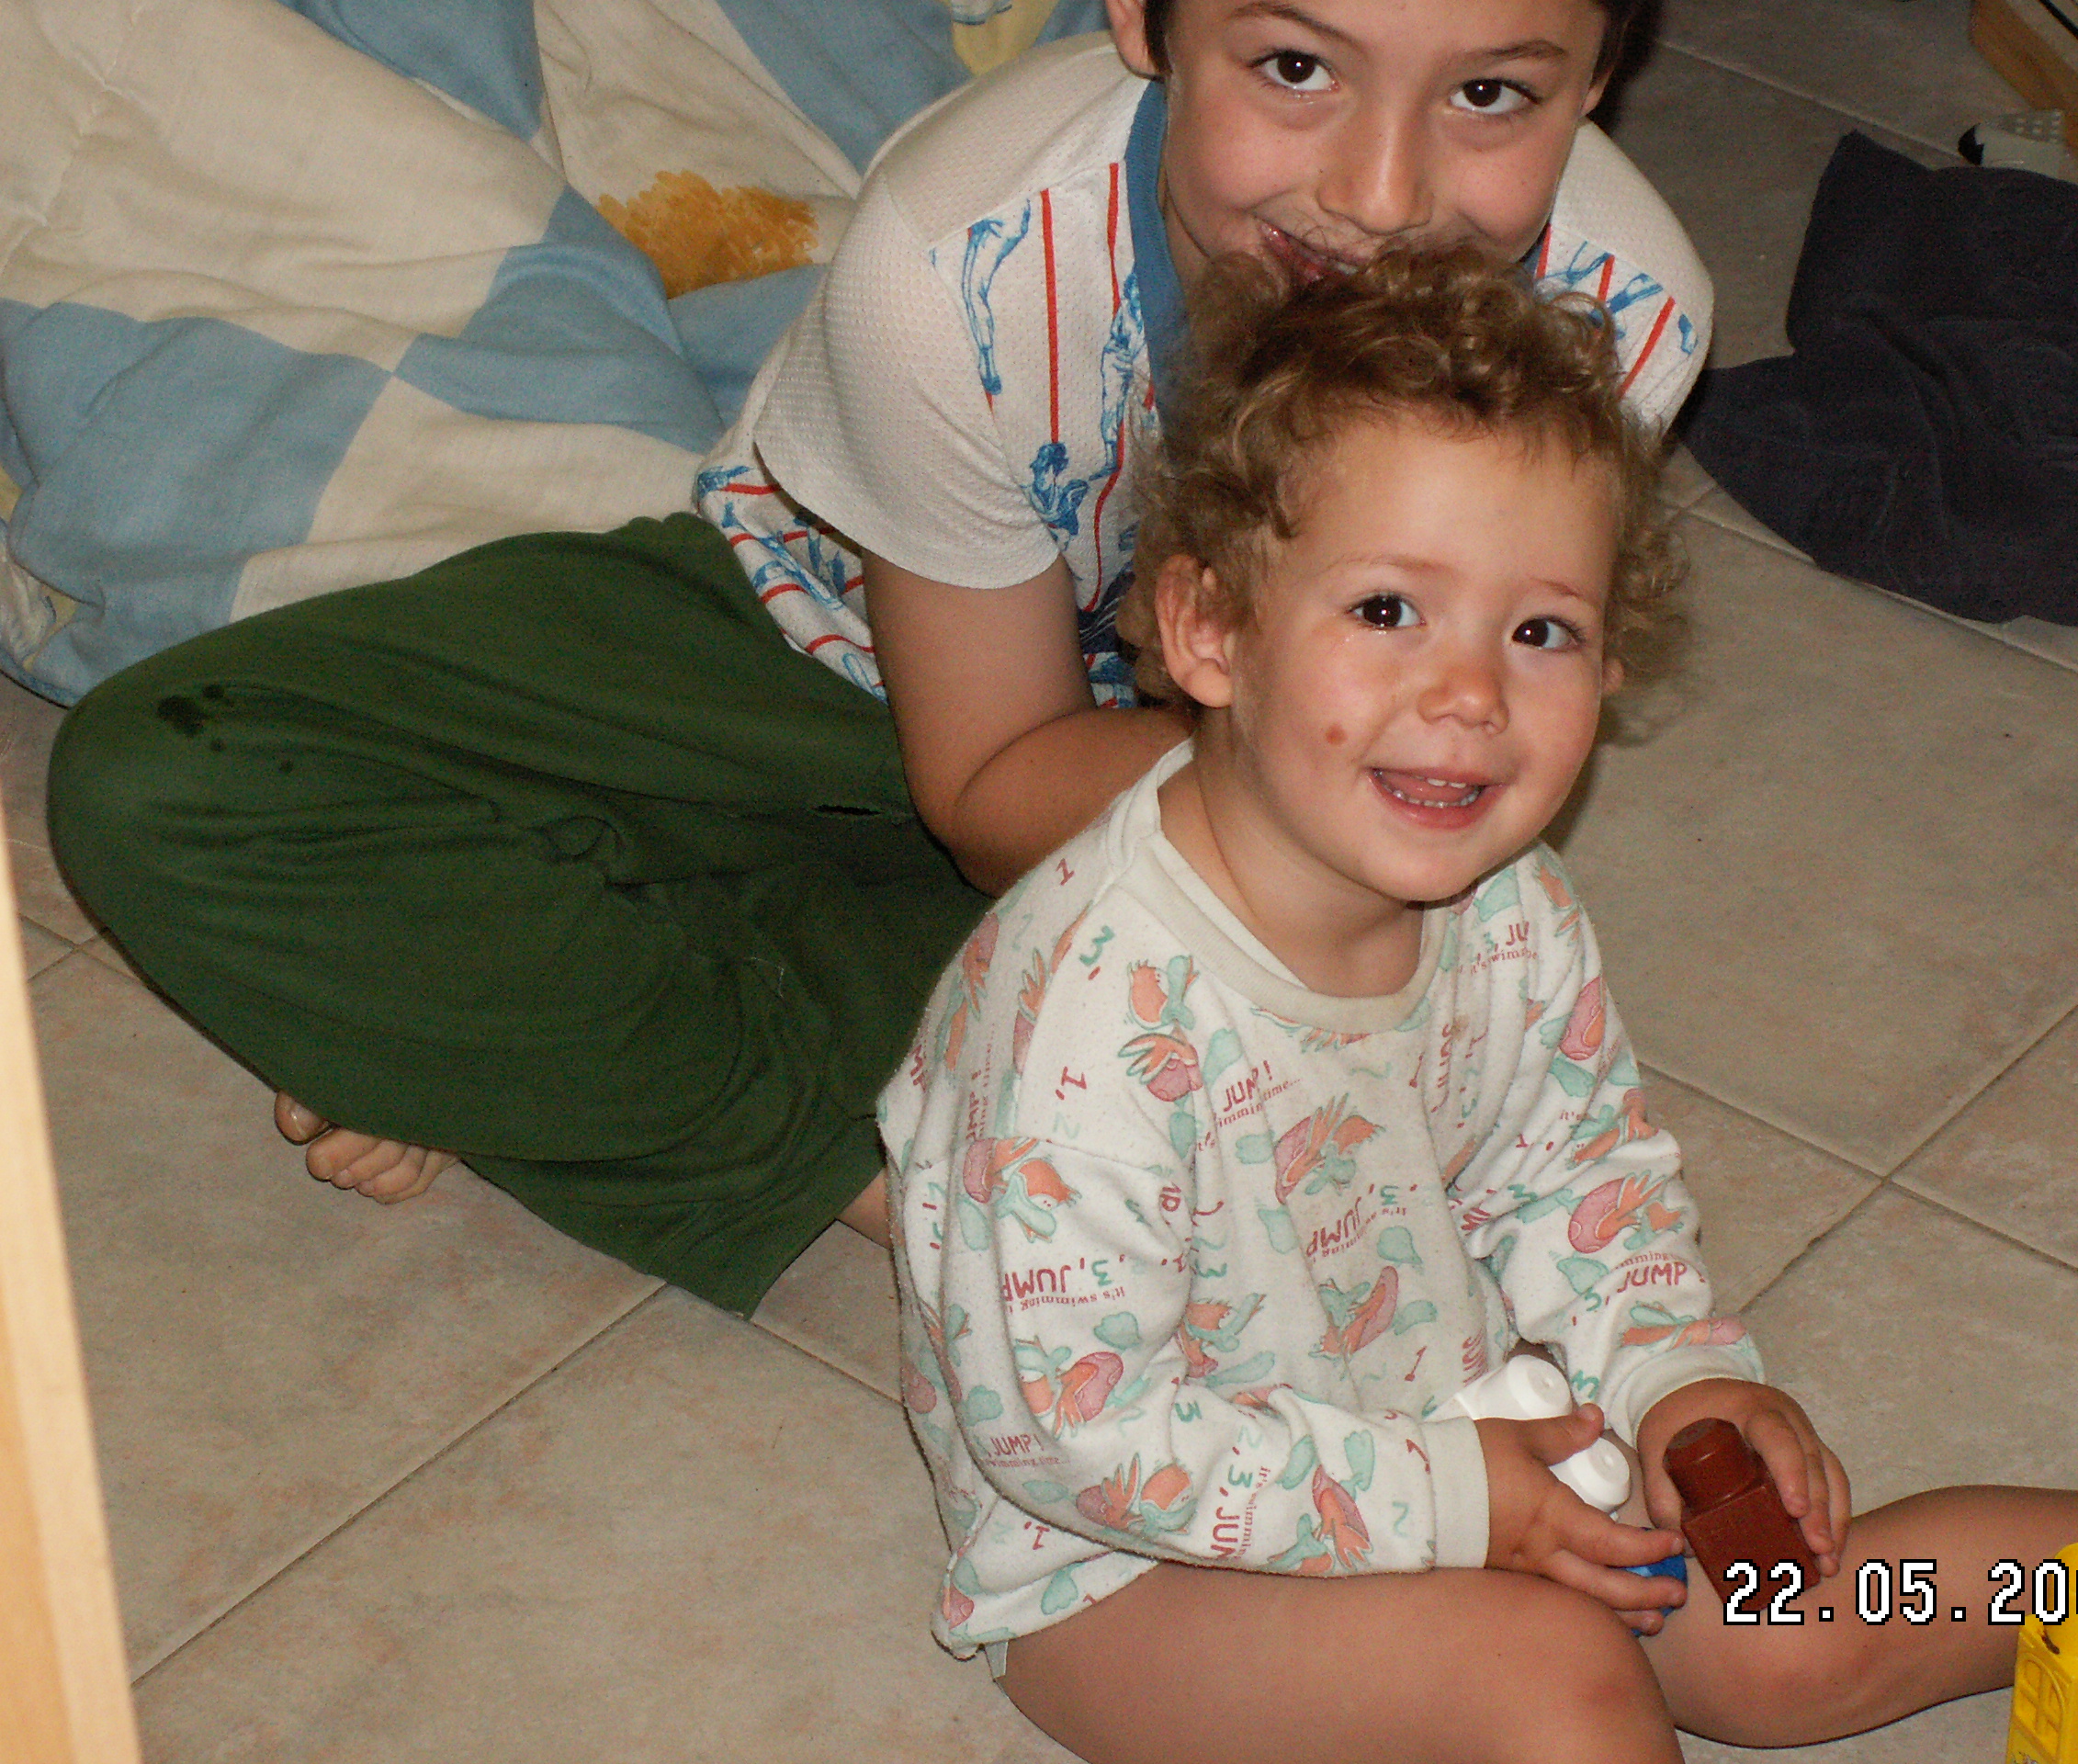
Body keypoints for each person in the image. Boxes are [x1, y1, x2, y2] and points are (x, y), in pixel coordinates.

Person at [881, 247, 2078, 1764]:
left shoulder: (1506, 906)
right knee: (1551, 1676)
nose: (1471, 695)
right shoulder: (1083, 1031)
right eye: (1388, 608)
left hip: (1463, 1423)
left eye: (1541, 632)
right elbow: (1075, 1438)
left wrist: (1673, 1380)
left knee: (1792, 1629)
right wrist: (1450, 1501)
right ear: (1210, 630)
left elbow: (1574, 1178)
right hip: (1127, 1568)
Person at [44, 0, 1709, 1314]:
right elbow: (987, 787)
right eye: (1293, 66)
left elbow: (1446, 767)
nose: (1385, 194)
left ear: (1600, 84)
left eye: (1492, 95)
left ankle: (510, 1027)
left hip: (1220, 816)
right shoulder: (958, 256)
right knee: (171, 777)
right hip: (820, 650)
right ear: (1143, 18)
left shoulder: (1624, 311)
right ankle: (901, 1185)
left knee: (1360, 1163)